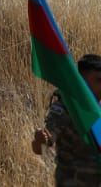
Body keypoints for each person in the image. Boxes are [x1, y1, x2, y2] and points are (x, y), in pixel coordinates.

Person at [32, 54, 101, 185]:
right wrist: (40, 139)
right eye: (98, 80)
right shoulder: (65, 109)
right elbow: (41, 146)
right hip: (74, 180)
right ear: (81, 82)